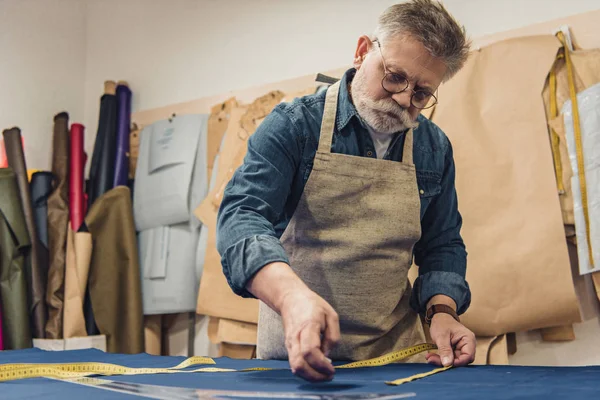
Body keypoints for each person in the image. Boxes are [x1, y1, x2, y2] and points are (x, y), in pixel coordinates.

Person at [216, 0, 476, 382]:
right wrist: (291, 298)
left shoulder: (433, 148)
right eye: (394, 77)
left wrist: (441, 312)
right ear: (361, 52)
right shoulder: (294, 127)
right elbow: (242, 217)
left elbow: (442, 244)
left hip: (397, 358)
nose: (404, 99)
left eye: (421, 93)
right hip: (294, 355)